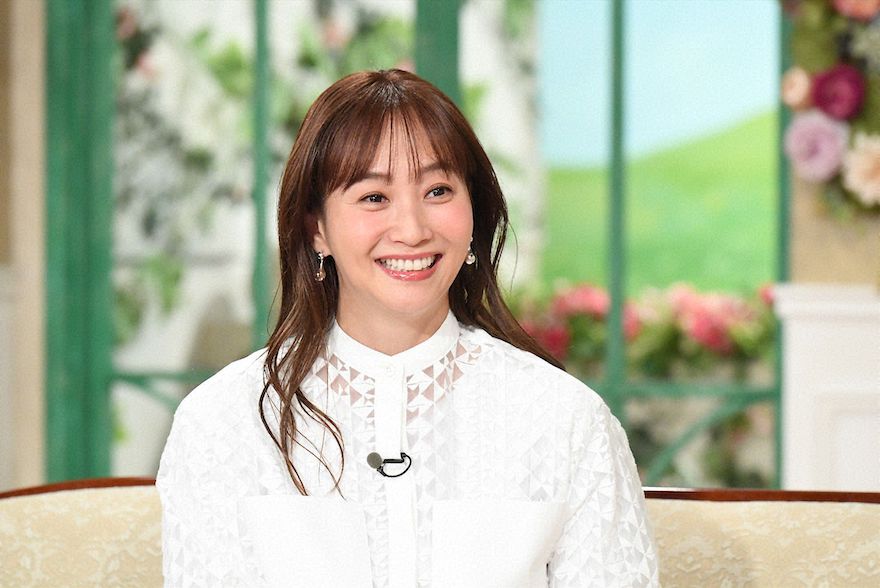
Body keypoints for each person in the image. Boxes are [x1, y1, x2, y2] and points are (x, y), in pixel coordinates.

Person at [157, 69, 659, 587]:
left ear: (474, 214)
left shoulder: (565, 420)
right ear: (317, 229)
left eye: (438, 191)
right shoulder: (222, 423)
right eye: (374, 197)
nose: (413, 230)